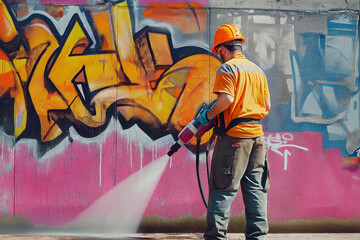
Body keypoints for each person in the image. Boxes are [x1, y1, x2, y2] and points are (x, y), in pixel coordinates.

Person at [198, 23, 271, 240]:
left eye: (218, 52)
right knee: (256, 190)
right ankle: (258, 237)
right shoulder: (257, 70)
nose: (218, 55)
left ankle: (215, 237)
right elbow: (266, 107)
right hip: (257, 139)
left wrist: (207, 115)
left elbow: (227, 99)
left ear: (221, 49)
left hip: (234, 140)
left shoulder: (227, 68)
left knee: (222, 188)